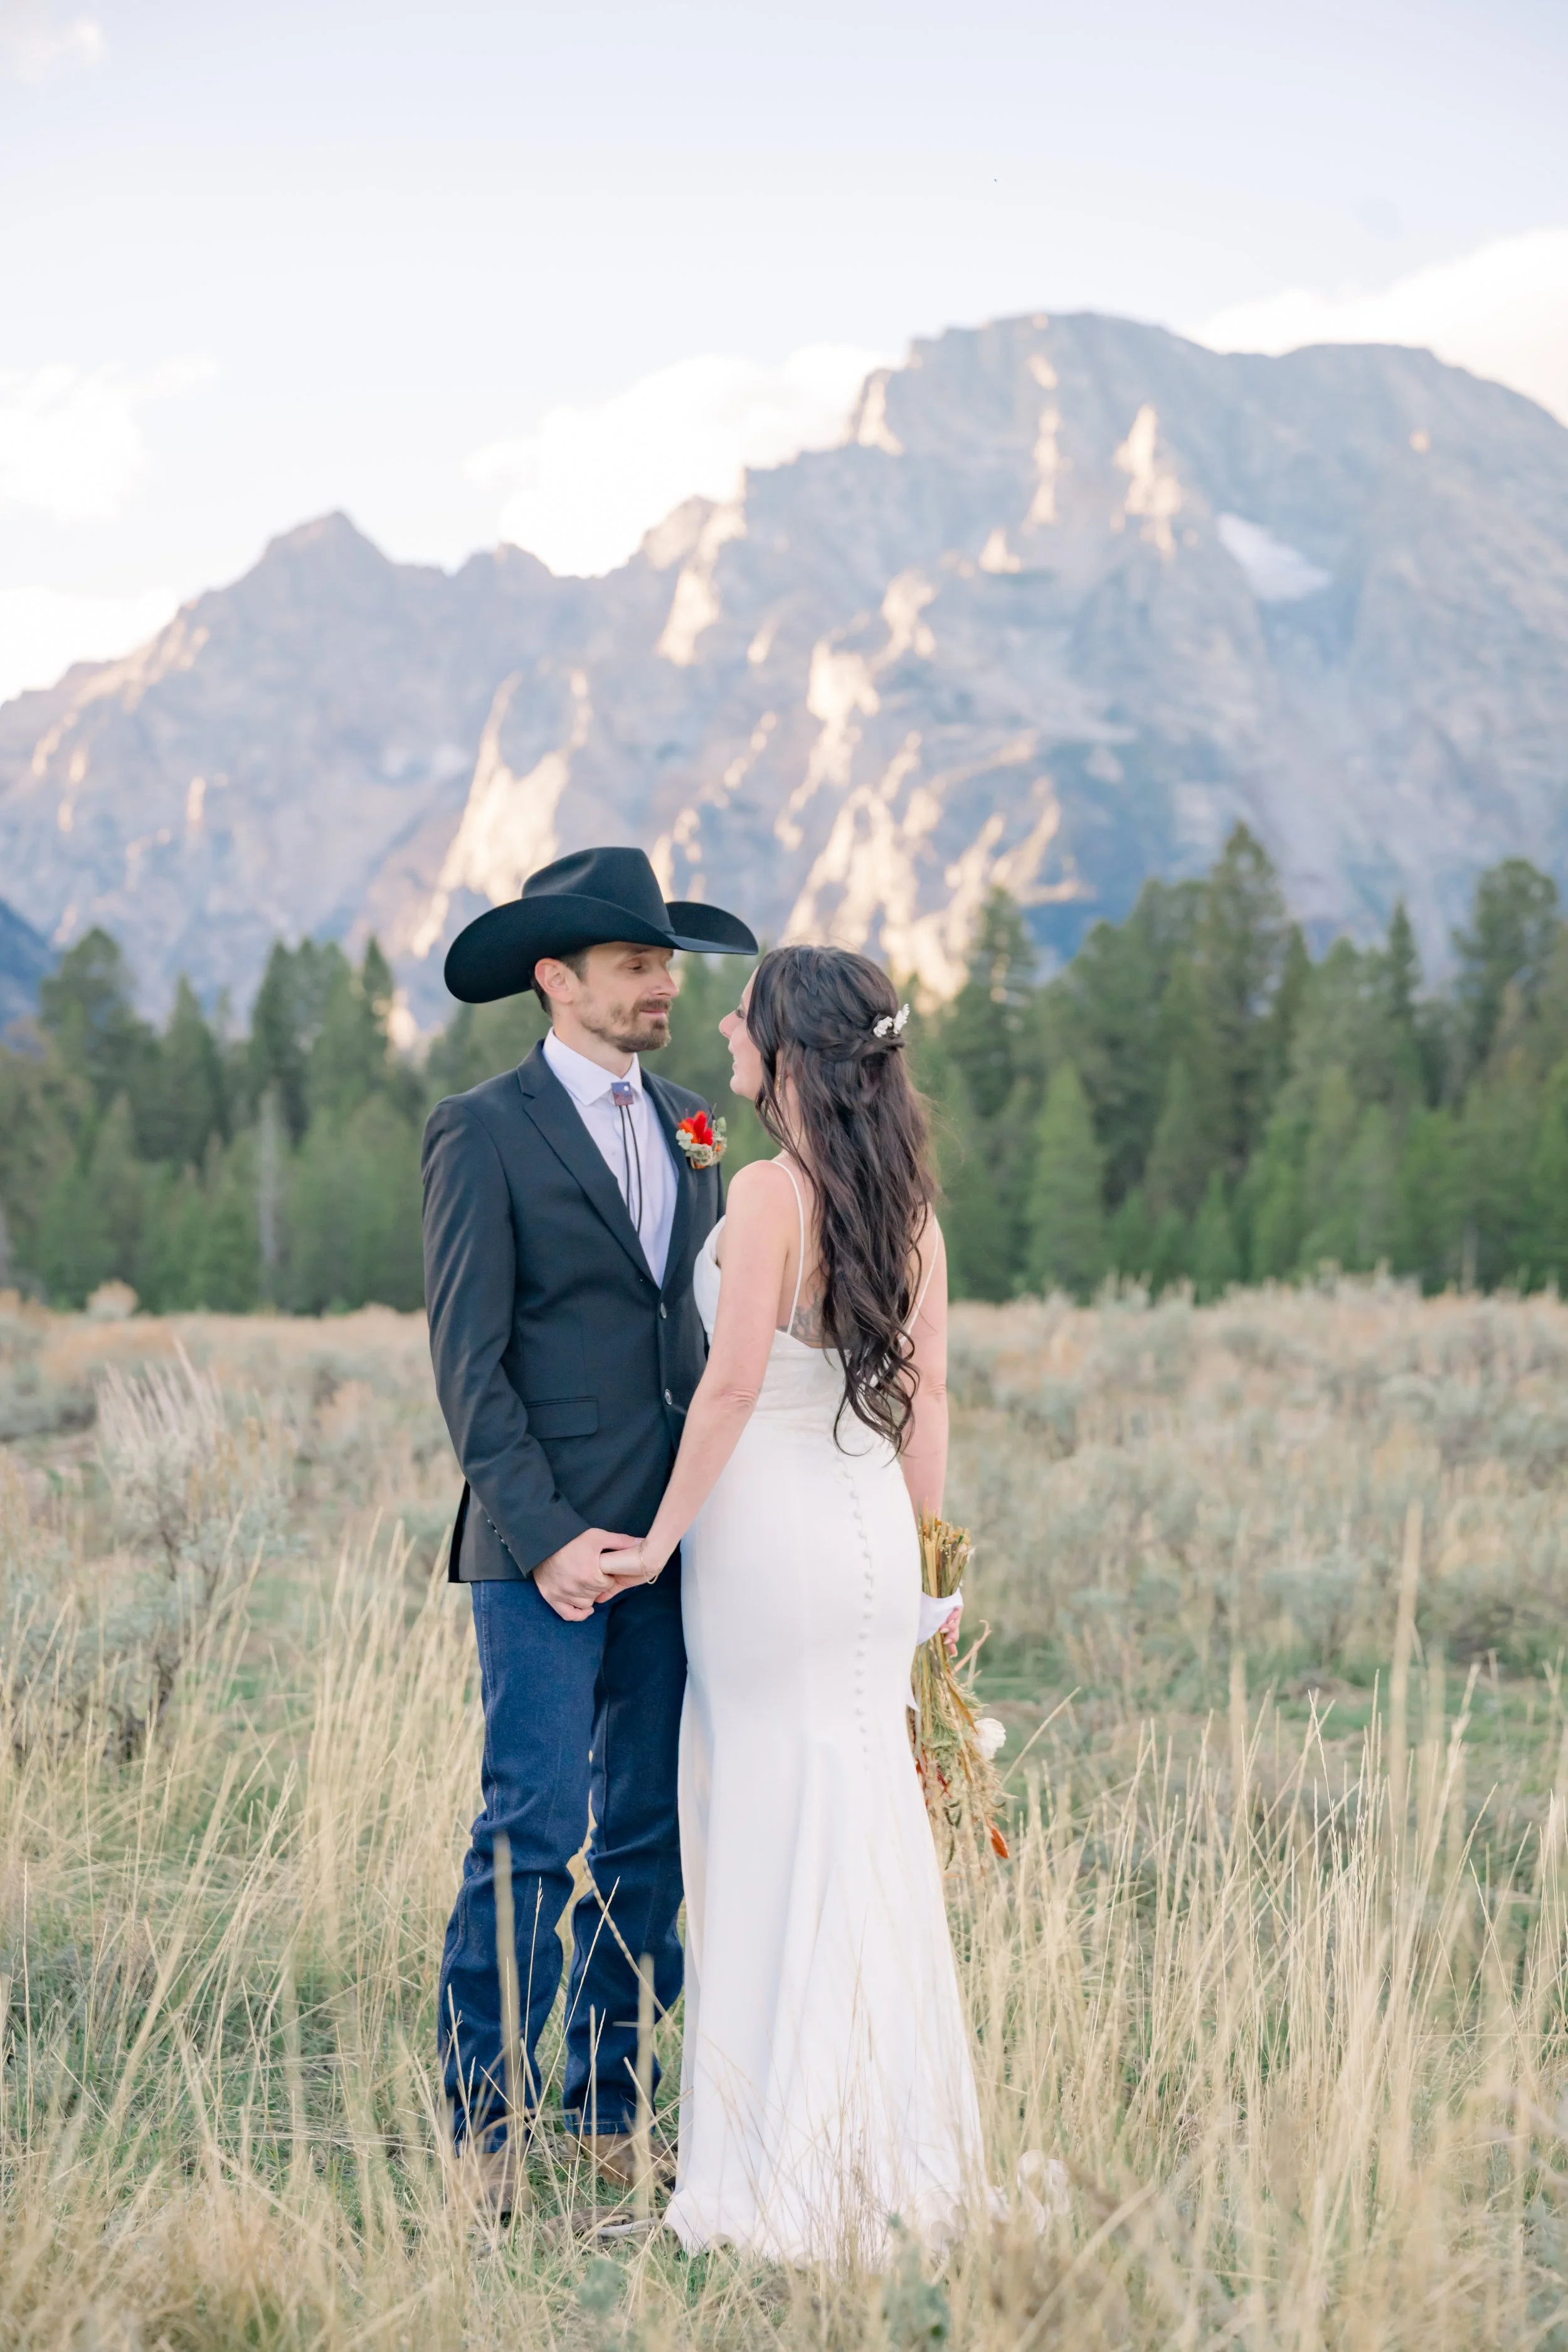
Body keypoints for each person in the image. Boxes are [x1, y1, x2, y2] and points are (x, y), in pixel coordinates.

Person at [603, 943, 985, 2263]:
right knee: (860, 1816)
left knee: (767, 1814)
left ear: (788, 1053)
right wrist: (927, 1571)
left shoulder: (772, 1191)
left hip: (767, 1541)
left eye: (744, 1013)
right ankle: (883, 2147)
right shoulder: (906, 1207)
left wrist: (657, 1541)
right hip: (871, 1532)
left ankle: (783, 2163)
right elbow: (927, 1401)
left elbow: (727, 1388)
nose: (722, 1022)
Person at [421, 845, 756, 2212]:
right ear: (557, 979)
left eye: (667, 962)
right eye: (635, 963)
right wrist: (551, 1537)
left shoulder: (693, 1123)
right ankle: (486, 2129)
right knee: (533, 1824)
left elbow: (699, 1334)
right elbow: (468, 1365)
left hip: (677, 1542)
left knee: (647, 1836)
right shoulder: (480, 1129)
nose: (662, 985)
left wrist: (696, 1518)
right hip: (537, 1551)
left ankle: (611, 2109)